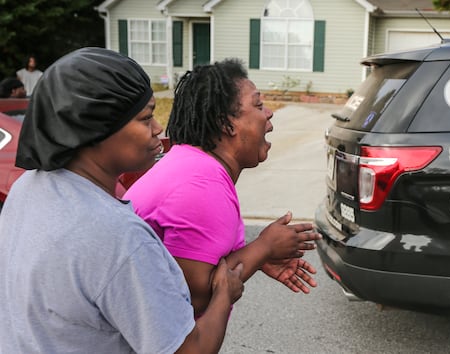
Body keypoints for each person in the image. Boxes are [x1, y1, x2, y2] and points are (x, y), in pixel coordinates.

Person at [0, 47, 249, 353]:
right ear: (96, 130)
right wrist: (225, 294)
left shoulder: (28, 188)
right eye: (145, 118)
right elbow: (189, 349)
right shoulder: (118, 237)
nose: (158, 128)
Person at [124, 58, 321, 319]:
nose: (269, 112)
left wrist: (255, 257)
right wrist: (263, 248)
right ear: (226, 124)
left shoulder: (191, 163)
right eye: (258, 105)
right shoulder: (201, 185)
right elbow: (195, 299)